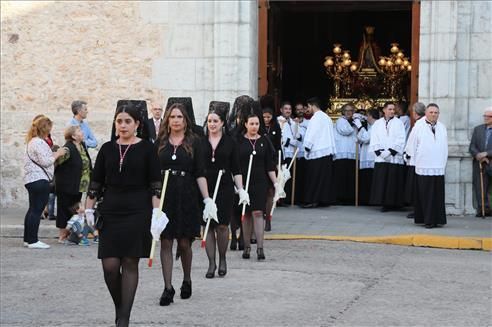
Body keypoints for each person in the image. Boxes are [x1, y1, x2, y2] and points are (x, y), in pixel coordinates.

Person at [85, 104, 163, 326]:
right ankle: (121, 308)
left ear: (137, 124)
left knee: (130, 262)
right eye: (119, 121)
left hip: (138, 211)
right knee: (109, 267)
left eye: (128, 121)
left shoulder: (148, 149)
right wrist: (89, 208)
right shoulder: (107, 149)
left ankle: (123, 319)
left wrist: (157, 212)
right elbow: (96, 182)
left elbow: (155, 184)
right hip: (111, 211)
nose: (123, 125)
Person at [156, 102, 217, 306]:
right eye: (172, 117)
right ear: (167, 119)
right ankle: (167, 287)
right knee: (165, 241)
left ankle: (187, 279)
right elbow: (153, 173)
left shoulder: (195, 142)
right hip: (165, 195)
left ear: (185, 120)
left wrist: (207, 199)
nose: (175, 120)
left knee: (183, 243)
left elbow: (200, 172)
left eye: (179, 117)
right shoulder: (160, 142)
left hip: (187, 194)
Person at [202, 101, 249, 278]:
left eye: (215, 121)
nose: (212, 124)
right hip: (205, 186)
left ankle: (222, 258)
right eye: (209, 121)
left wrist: (241, 189)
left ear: (222, 123)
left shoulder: (230, 143)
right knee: (207, 225)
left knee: (222, 225)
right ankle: (211, 263)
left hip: (224, 188)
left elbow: (236, 169)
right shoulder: (201, 142)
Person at [236, 113, 278, 260]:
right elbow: (235, 165)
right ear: (246, 124)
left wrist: (276, 183)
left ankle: (260, 248)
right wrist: (238, 186)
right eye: (251, 124)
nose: (254, 127)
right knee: (246, 215)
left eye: (257, 124)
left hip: (260, 182)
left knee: (258, 213)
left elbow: (269, 165)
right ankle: (246, 246)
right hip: (244, 182)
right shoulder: (239, 141)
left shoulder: (264, 141)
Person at [24, 116, 67, 249]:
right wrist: (58, 153)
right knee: (37, 210)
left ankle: (28, 238)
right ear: (45, 129)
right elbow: (46, 161)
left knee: (32, 210)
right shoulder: (39, 142)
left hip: (32, 179)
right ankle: (33, 240)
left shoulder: (32, 142)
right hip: (39, 179)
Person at [407, 103, 448, 228]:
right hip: (423, 165)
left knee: (437, 195)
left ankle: (438, 219)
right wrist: (412, 162)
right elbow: (411, 144)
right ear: (426, 113)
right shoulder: (418, 126)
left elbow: (445, 145)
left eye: (436, 112)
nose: (434, 115)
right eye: (431, 112)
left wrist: (443, 162)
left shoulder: (442, 127)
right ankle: (427, 220)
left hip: (438, 166)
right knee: (426, 195)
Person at [54, 125, 92, 243]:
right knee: (64, 209)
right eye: (79, 131)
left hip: (79, 185)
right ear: (73, 136)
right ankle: (62, 236)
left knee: (74, 210)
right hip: (66, 185)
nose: (82, 132)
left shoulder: (81, 146)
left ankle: (71, 235)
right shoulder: (68, 148)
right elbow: (56, 163)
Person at [369, 102, 407, 212]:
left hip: (393, 157)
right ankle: (384, 203)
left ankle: (395, 203)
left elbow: (401, 138)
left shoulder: (399, 123)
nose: (392, 111)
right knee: (383, 180)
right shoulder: (377, 124)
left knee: (393, 181)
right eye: (390, 109)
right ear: (384, 110)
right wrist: (380, 153)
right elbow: (374, 138)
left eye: (393, 109)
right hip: (381, 157)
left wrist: (390, 152)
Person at [302, 97, 336, 208]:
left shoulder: (316, 118)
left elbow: (312, 133)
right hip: (326, 151)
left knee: (314, 177)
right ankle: (323, 200)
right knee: (324, 177)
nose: (307, 109)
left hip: (317, 151)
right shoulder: (326, 117)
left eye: (308, 107)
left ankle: (312, 200)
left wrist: (307, 147)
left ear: (311, 105)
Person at [403, 102, 426, 219]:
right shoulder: (421, 123)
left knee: (416, 187)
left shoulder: (419, 125)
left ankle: (418, 210)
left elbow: (412, 143)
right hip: (417, 160)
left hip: (416, 161)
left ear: (415, 113)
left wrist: (407, 154)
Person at [333, 103, 360, 204]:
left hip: (352, 153)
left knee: (351, 178)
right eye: (347, 110)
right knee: (341, 178)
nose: (349, 113)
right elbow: (346, 131)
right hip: (342, 154)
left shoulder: (355, 122)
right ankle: (340, 198)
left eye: (351, 111)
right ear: (343, 112)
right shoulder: (341, 121)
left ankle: (350, 198)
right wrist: (354, 123)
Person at [469, 106, 492, 217]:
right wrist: (479, 155)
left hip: (490, 161)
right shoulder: (478, 129)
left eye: (489, 116)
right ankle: (483, 209)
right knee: (480, 187)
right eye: (485, 116)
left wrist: (487, 153)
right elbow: (472, 146)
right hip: (480, 163)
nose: (486, 118)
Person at [262, 106, 282, 229]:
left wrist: (280, 162)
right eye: (264, 117)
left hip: (272, 161)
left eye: (268, 117)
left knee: (270, 191)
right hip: (260, 161)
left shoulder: (275, 127)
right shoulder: (258, 126)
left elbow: (278, 145)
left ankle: (268, 218)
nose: (266, 119)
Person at [356, 109, 379, 205]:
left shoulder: (376, 126)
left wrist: (360, 127)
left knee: (369, 178)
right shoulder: (373, 126)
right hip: (367, 154)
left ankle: (369, 200)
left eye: (367, 116)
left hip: (371, 156)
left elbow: (366, 138)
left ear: (370, 116)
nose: (367, 118)